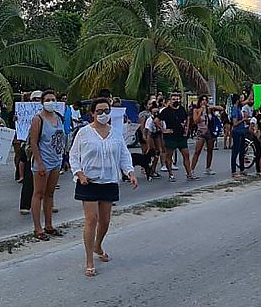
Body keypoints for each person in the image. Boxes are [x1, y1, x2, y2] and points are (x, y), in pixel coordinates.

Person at [69, 98, 138, 277]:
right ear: (92, 113)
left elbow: (124, 154)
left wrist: (129, 172)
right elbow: (74, 156)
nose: (103, 114)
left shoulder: (116, 133)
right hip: (88, 182)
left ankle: (97, 245)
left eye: (106, 110)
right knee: (91, 220)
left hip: (109, 181)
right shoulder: (84, 133)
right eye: (99, 111)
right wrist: (79, 174)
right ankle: (89, 260)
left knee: (105, 221)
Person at [28, 90, 66, 240]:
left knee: (50, 194)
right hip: (43, 162)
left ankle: (49, 225)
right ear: (42, 102)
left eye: (53, 99)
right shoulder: (38, 119)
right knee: (38, 194)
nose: (51, 102)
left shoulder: (58, 117)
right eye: (48, 100)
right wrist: (40, 163)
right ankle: (38, 228)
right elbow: (33, 142)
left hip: (56, 160)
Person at [155, 92, 199, 182]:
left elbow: (187, 118)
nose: (176, 101)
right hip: (170, 136)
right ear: (170, 100)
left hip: (181, 136)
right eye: (174, 99)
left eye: (177, 99)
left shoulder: (182, 109)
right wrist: (163, 130)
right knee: (169, 155)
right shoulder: (165, 111)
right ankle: (171, 174)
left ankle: (189, 174)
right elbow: (156, 120)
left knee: (186, 154)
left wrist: (186, 128)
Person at [191, 95, 222, 175]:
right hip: (201, 132)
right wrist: (201, 111)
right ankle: (192, 169)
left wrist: (211, 107)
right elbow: (195, 121)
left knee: (210, 150)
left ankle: (208, 168)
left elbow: (221, 108)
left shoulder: (209, 110)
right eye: (202, 100)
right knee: (197, 151)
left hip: (210, 132)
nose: (204, 101)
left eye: (205, 100)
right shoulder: (196, 110)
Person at [229, 94, 248, 179]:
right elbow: (235, 123)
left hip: (241, 131)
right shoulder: (234, 109)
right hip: (237, 132)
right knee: (235, 151)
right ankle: (233, 171)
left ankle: (242, 169)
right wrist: (243, 119)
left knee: (242, 151)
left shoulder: (239, 108)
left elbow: (246, 102)